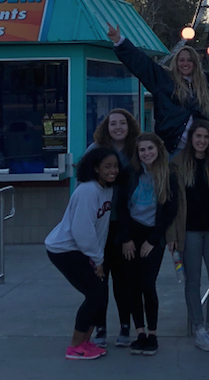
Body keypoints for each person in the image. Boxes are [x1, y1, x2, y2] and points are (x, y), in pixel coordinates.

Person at [106, 22, 209, 156]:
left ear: (195, 63)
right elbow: (142, 63)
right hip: (170, 151)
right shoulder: (164, 80)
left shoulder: (207, 83)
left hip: (198, 153)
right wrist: (120, 41)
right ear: (176, 62)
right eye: (181, 60)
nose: (185, 64)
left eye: (190, 60)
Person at [45, 147, 119, 360]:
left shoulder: (107, 189)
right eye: (107, 167)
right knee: (95, 293)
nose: (112, 170)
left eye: (115, 166)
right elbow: (82, 230)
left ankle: (86, 342)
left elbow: (100, 229)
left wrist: (96, 255)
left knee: (100, 294)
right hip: (64, 249)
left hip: (82, 250)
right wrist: (97, 260)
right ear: (96, 169)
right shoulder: (88, 191)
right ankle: (75, 346)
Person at [167, 119, 209, 352]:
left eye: (206, 137)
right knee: (193, 283)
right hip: (189, 233)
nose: (202, 141)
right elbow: (172, 203)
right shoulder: (177, 165)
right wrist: (172, 235)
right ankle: (199, 329)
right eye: (198, 137)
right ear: (191, 139)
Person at [118, 133, 178, 356]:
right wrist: (126, 239)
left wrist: (153, 241)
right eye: (142, 150)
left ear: (158, 149)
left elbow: (170, 210)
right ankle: (140, 332)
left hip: (153, 235)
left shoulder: (168, 174)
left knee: (147, 284)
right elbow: (121, 207)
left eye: (150, 149)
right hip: (132, 234)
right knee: (132, 285)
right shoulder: (130, 174)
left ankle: (152, 333)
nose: (146, 153)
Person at [88, 109, 140, 349]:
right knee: (99, 280)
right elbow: (83, 185)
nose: (118, 127)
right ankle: (100, 327)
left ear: (129, 125)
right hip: (100, 225)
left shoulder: (136, 151)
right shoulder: (95, 150)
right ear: (106, 127)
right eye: (113, 124)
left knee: (123, 280)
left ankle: (125, 326)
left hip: (125, 225)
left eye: (122, 123)